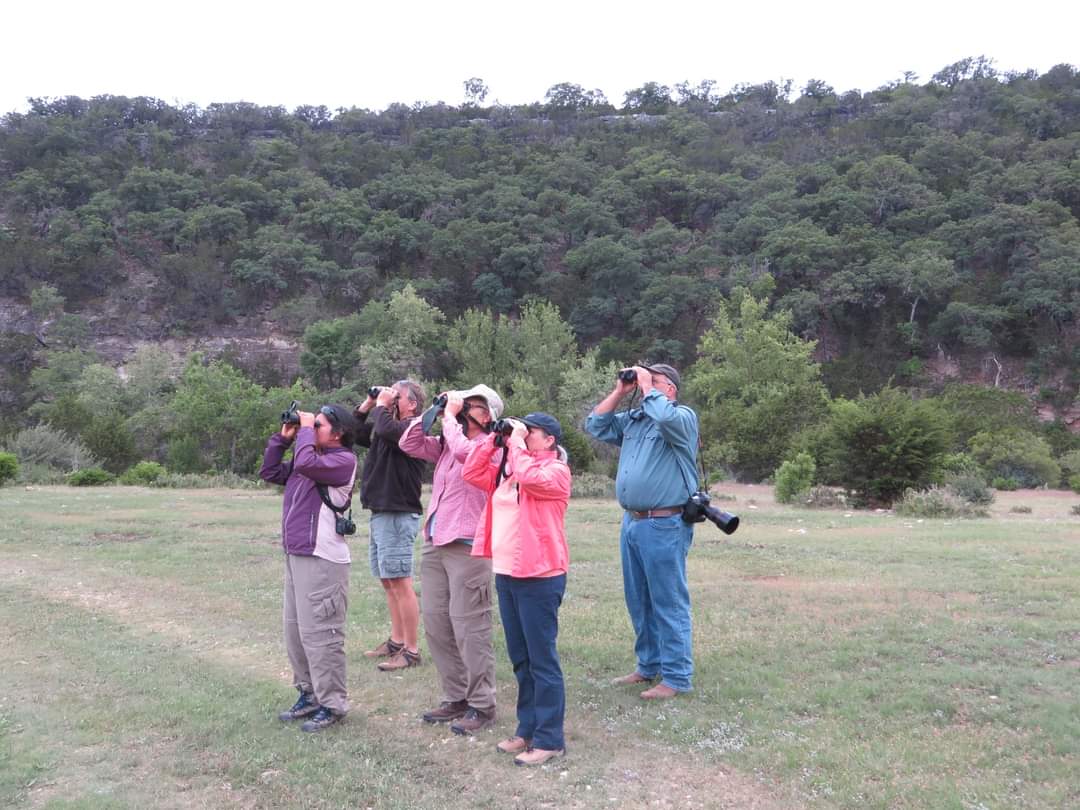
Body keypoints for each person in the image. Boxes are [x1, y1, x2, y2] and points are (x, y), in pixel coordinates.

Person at [585, 364, 699, 700]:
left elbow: (664, 419)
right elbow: (595, 424)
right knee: (639, 599)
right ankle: (648, 666)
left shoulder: (682, 417)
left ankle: (677, 676)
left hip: (664, 522)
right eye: (643, 381)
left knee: (668, 599)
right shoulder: (634, 422)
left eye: (653, 381)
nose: (643, 385)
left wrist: (648, 387)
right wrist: (621, 390)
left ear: (670, 390)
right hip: (632, 522)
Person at [463, 413, 571, 766]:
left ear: (549, 440)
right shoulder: (509, 471)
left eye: (531, 432)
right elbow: (471, 473)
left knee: (542, 660)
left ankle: (550, 738)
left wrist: (515, 444)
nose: (522, 436)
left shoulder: (554, 472)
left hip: (540, 575)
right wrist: (494, 442)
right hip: (508, 573)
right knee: (521, 659)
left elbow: (530, 476)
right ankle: (527, 729)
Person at [398, 384, 503, 735]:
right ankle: (456, 696)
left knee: (470, 627)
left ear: (485, 415)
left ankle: (482, 704)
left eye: (469, 404)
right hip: (436, 539)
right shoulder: (448, 439)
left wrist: (449, 420)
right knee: (438, 624)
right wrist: (434, 413)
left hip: (469, 545)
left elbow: (465, 455)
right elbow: (408, 444)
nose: (459, 407)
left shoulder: (490, 446)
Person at [260, 403, 359, 731]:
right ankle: (309, 693)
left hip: (323, 559)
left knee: (321, 634)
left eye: (318, 424)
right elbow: (271, 473)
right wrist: (283, 439)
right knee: (296, 632)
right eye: (311, 424)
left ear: (339, 432)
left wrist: (303, 432)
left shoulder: (342, 460)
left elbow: (305, 462)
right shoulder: (310, 456)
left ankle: (332, 703)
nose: (312, 428)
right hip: (297, 553)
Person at [354, 380, 427, 671]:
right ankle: (396, 642)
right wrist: (369, 405)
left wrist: (383, 405)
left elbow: (383, 429)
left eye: (399, 396)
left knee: (401, 581)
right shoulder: (389, 428)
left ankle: (411, 650)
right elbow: (358, 434)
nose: (393, 399)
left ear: (413, 404)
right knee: (388, 581)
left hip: (398, 513)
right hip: (382, 511)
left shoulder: (414, 428)